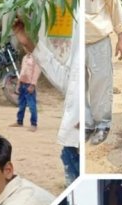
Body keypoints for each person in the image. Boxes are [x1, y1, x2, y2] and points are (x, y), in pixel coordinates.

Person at [11, 17, 79, 185]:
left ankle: (33, 123)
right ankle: (22, 121)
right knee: (23, 107)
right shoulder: (78, 34)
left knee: (32, 107)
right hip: (71, 144)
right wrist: (28, 42)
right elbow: (67, 79)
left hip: (80, 142)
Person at [85, 0, 122, 145]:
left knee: (101, 83)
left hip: (98, 41)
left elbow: (115, 7)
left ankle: (102, 124)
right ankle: (86, 124)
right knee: (79, 86)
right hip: (74, 44)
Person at [9, 49, 41, 131]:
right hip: (23, 83)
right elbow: (22, 71)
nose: (26, 48)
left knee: (31, 105)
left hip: (29, 84)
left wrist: (33, 85)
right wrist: (19, 83)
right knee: (21, 104)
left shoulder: (36, 58)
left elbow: (36, 72)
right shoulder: (25, 57)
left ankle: (34, 124)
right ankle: (19, 121)